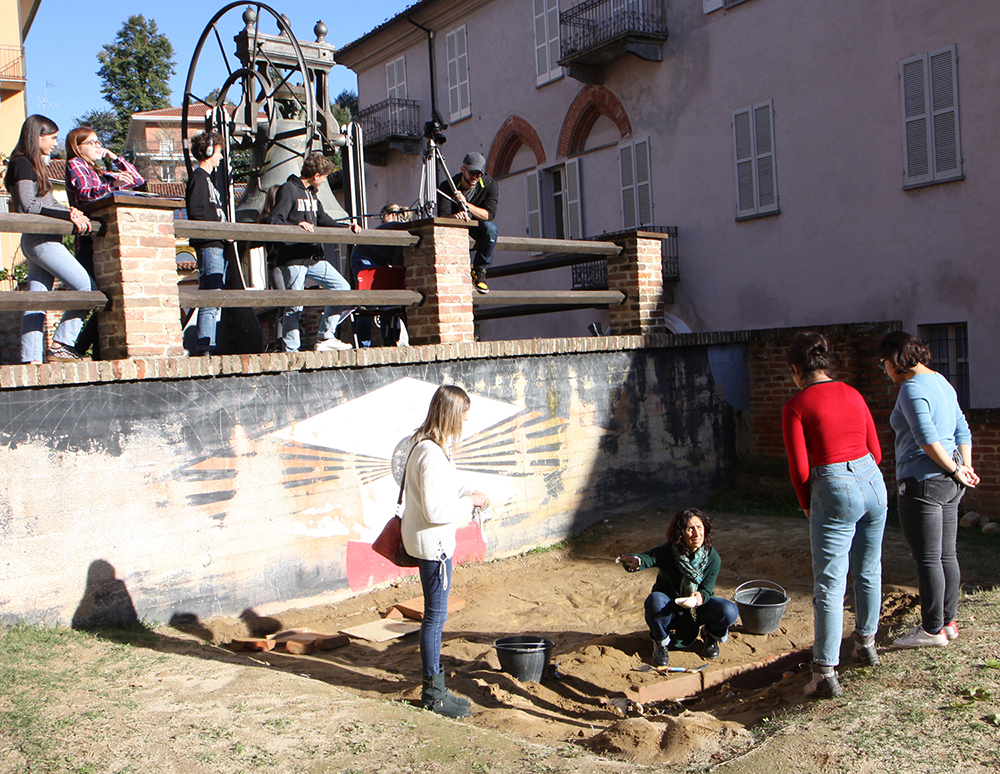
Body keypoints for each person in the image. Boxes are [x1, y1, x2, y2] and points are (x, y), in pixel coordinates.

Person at [782, 331, 888, 698]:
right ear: (824, 363)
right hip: (872, 482)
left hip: (832, 485)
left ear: (796, 369)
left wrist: (808, 504)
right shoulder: (854, 393)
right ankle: (866, 644)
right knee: (869, 569)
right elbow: (875, 451)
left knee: (830, 583)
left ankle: (825, 672)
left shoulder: (797, 405)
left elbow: (799, 470)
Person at [878, 331, 979, 649]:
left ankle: (932, 630)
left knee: (928, 560)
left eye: (883, 364)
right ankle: (947, 623)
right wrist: (964, 467)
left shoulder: (911, 389)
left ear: (896, 359)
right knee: (946, 554)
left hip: (923, 483)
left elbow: (925, 436)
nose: (884, 371)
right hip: (950, 483)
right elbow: (962, 426)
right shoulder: (941, 381)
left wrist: (953, 467)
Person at [401, 385, 488, 718]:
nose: (465, 422)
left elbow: (439, 490)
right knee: (435, 618)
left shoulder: (423, 445)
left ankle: (434, 690)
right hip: (434, 546)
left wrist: (467, 491)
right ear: (451, 415)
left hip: (429, 542)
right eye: (463, 415)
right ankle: (434, 695)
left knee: (435, 616)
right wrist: (470, 502)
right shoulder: (432, 453)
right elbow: (437, 511)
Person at [3, 115, 96, 363]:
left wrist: (70, 212)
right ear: (37, 137)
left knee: (38, 300)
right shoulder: (22, 163)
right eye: (52, 138)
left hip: (40, 240)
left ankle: (31, 360)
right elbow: (28, 205)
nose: (55, 143)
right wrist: (67, 214)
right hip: (41, 241)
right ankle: (61, 344)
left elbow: (47, 202)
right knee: (87, 288)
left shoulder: (33, 164)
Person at [619, 508, 738, 668]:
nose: (697, 534)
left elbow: (707, 590)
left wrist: (698, 598)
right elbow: (649, 557)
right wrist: (637, 561)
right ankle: (661, 644)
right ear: (680, 533)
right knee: (655, 601)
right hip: (670, 609)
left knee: (728, 610)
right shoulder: (669, 551)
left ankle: (711, 635)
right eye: (690, 529)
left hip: (696, 609)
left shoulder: (712, 558)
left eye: (699, 527)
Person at [65, 126, 145, 359]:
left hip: (105, 241)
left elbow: (137, 180)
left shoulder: (100, 171)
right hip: (89, 241)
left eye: (99, 142)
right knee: (93, 294)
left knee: (107, 297)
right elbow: (86, 192)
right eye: (92, 143)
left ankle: (92, 351)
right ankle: (73, 347)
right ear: (77, 147)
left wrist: (114, 158)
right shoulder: (75, 164)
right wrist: (114, 185)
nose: (98, 146)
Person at [267, 153, 361, 352]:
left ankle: (325, 336)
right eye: (325, 177)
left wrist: (346, 227)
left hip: (313, 257)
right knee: (295, 304)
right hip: (293, 257)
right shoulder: (288, 190)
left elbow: (324, 219)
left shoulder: (312, 194)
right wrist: (296, 224)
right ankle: (291, 350)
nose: (325, 180)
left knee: (342, 288)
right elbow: (275, 220)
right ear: (317, 175)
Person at [184, 131, 228, 356]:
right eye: (219, 151)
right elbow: (198, 213)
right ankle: (204, 348)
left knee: (215, 295)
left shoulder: (207, 180)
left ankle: (207, 344)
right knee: (210, 295)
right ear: (209, 151)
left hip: (217, 244)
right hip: (210, 244)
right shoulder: (199, 179)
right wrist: (220, 231)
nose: (221, 157)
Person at [437, 151, 498, 294]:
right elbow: (442, 216)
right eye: (472, 173)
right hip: (455, 229)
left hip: (477, 227)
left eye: (479, 174)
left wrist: (466, 205)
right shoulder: (448, 186)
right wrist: (454, 218)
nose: (475, 177)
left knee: (491, 229)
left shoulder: (490, 185)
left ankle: (479, 272)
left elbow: (489, 215)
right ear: (463, 169)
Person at [351, 203, 408, 348]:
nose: (382, 218)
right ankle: (366, 346)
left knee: (386, 300)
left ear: (393, 215)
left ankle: (389, 341)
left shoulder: (401, 231)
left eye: (384, 215)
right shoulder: (397, 229)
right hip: (364, 256)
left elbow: (396, 266)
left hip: (374, 258)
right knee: (368, 300)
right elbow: (397, 268)